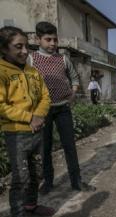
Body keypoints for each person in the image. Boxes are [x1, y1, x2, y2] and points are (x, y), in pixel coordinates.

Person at [28, 21, 95, 194]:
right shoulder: (31, 59)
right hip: (43, 111)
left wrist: (72, 94)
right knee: (46, 147)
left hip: (63, 108)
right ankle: (48, 182)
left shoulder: (63, 58)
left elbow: (74, 78)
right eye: (48, 39)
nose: (52, 44)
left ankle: (76, 181)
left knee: (70, 146)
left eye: (55, 40)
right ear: (38, 39)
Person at [0, 26, 55, 217]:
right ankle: (18, 213)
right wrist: (29, 117)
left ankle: (31, 205)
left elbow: (46, 96)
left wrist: (38, 116)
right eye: (18, 46)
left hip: (37, 130)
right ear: (4, 48)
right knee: (21, 177)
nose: (24, 51)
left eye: (26, 46)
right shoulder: (2, 72)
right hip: (16, 133)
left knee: (36, 173)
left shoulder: (33, 71)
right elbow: (1, 105)